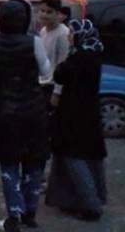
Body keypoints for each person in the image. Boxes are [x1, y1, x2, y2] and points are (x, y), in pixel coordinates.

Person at [0, 0, 51, 232]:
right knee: (34, 163)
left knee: (9, 164)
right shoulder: (34, 42)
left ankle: (15, 213)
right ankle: (30, 212)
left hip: (3, 111)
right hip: (33, 110)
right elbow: (46, 72)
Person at [46, 19, 107, 221]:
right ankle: (79, 200)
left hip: (74, 116)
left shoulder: (79, 58)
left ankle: (90, 205)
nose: (69, 36)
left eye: (72, 33)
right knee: (88, 159)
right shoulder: (94, 54)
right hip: (88, 115)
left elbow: (60, 74)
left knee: (74, 159)